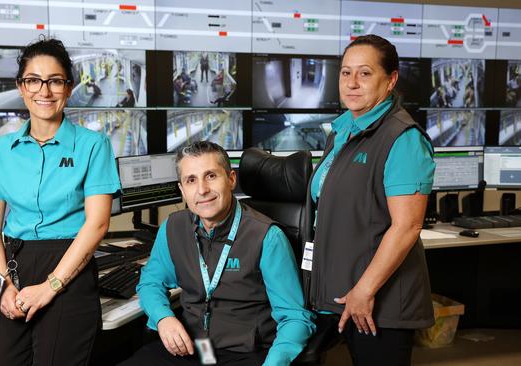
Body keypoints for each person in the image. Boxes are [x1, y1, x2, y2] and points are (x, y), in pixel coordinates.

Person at [0, 38, 121, 365]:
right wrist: (4, 284)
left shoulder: (93, 145)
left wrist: (51, 286)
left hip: (68, 264)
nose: (44, 91)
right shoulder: (2, 150)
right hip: (10, 265)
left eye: (55, 81)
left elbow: (97, 224)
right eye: (33, 81)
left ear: (68, 89)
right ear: (21, 87)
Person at [119, 141, 316, 366]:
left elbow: (294, 318)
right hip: (193, 348)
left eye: (211, 176)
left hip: (244, 352)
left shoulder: (267, 236)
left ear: (231, 179)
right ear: (182, 190)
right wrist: (163, 318)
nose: (202, 190)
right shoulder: (173, 227)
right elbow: (151, 282)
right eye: (191, 180)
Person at [306, 34, 435, 365]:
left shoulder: (402, 139)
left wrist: (364, 291)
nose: (351, 83)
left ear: (390, 80)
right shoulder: (343, 130)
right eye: (345, 73)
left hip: (378, 302)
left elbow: (407, 226)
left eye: (364, 73)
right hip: (339, 291)